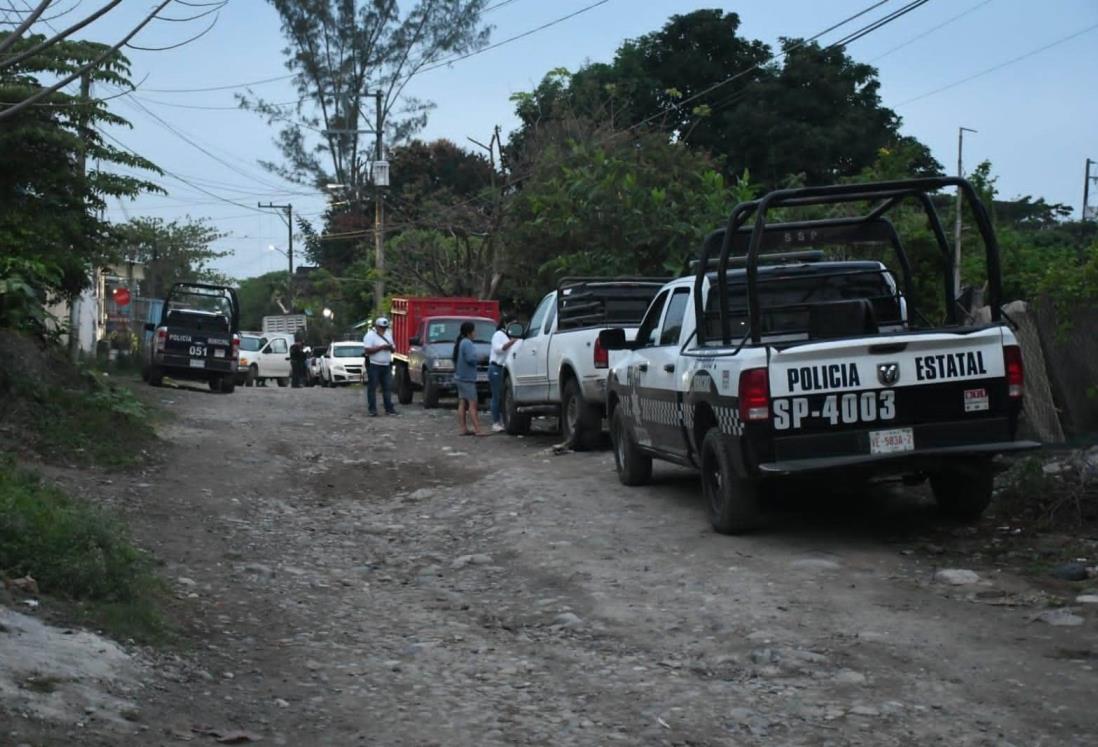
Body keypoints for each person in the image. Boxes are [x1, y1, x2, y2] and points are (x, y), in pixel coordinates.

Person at [489, 318, 520, 432]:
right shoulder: (499, 334)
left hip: (503, 369)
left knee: (502, 395)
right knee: (496, 395)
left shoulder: (507, 336)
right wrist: (512, 342)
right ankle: (495, 422)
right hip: (496, 367)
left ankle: (501, 420)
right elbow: (499, 349)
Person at [362, 317, 397, 416]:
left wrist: (390, 348)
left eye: (385, 327)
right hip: (374, 365)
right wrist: (381, 348)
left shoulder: (388, 335)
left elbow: (393, 348)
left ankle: (389, 409)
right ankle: (372, 410)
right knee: (372, 388)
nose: (383, 329)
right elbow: (367, 350)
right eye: (381, 327)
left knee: (387, 388)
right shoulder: (370, 336)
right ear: (376, 326)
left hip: (386, 365)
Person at [452, 321, 482, 436]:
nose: (475, 333)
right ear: (470, 332)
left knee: (462, 403)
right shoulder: (468, 343)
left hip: (460, 376)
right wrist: (477, 358)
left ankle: (463, 428)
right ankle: (477, 429)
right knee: (472, 404)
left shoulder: (460, 342)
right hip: (467, 378)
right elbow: (470, 359)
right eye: (474, 330)